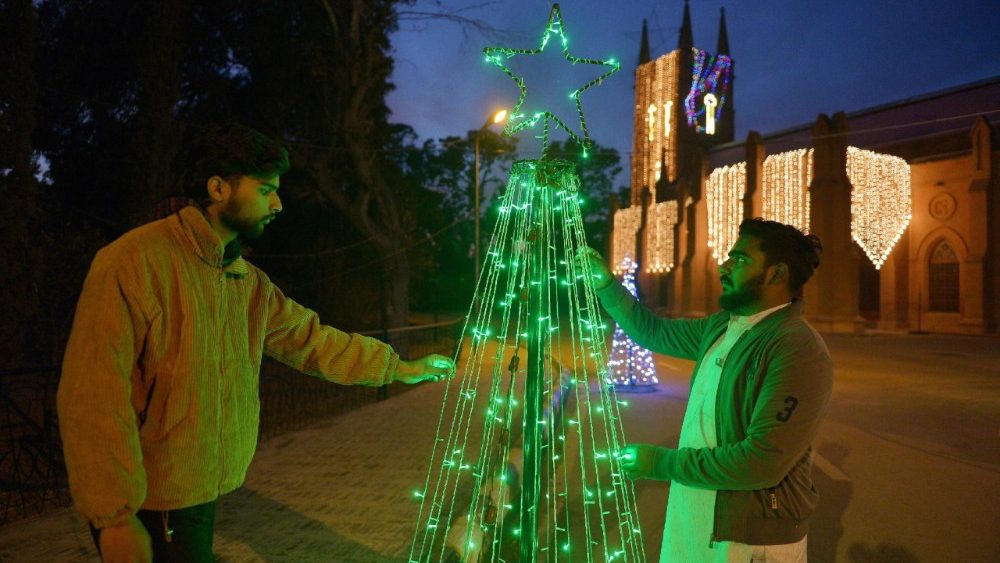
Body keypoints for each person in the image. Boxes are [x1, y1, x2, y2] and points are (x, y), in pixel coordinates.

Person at [57, 123, 456, 563]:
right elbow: (94, 395)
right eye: (266, 189)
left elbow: (311, 340)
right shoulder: (134, 263)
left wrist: (399, 367)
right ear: (219, 188)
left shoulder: (245, 280)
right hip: (151, 498)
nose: (278, 203)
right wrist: (114, 518)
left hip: (198, 489)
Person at [578, 218, 832, 562]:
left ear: (777, 274)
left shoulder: (796, 348)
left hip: (750, 538)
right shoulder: (722, 327)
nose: (724, 266)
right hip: (697, 517)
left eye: (740, 260)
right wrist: (606, 284)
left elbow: (761, 462)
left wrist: (660, 463)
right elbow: (653, 332)